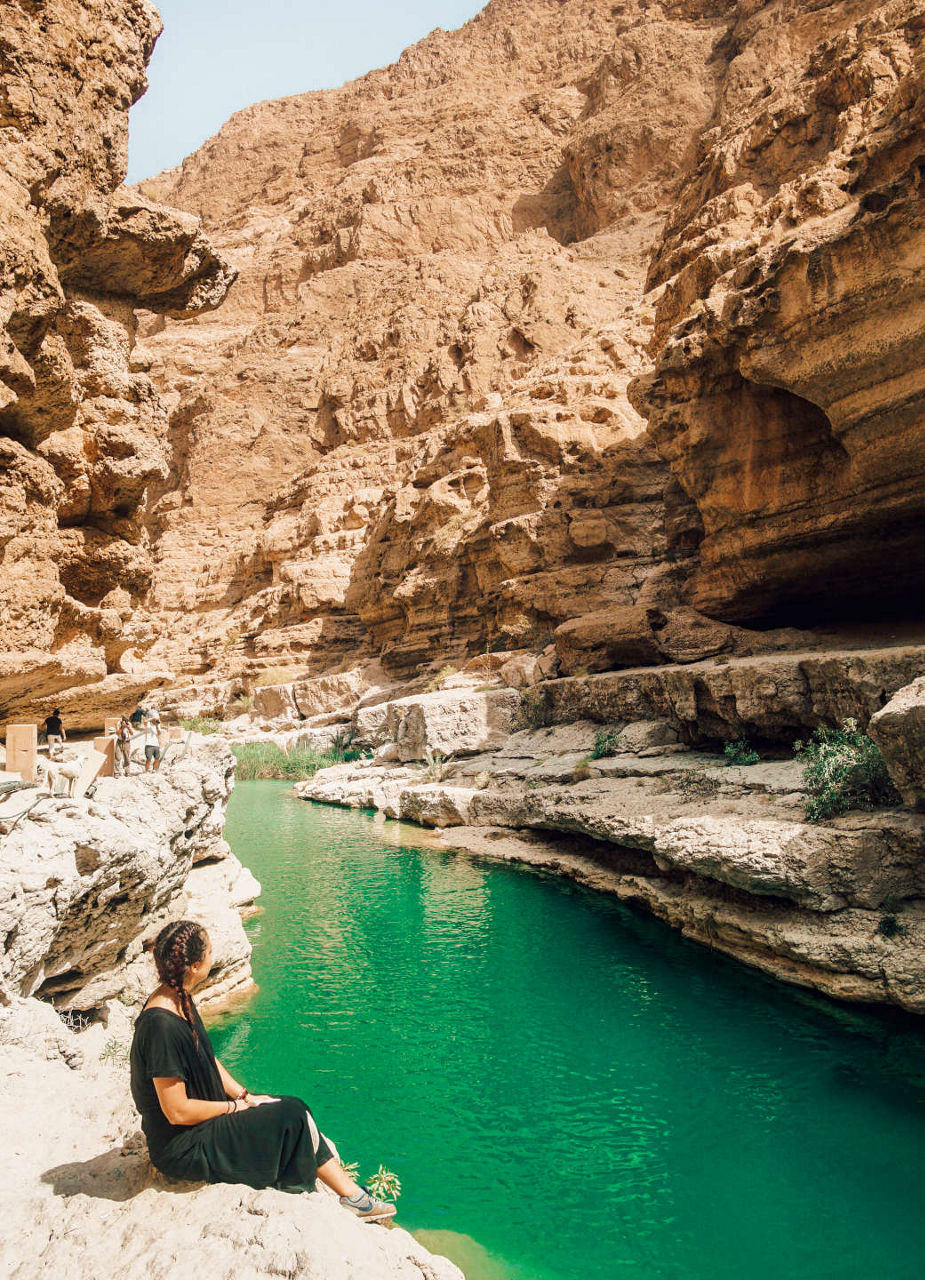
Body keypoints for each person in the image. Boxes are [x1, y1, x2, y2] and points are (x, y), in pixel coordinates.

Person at [129, 921, 395, 1221]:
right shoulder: (160, 1025)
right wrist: (234, 1107)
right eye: (210, 951)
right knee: (291, 1117)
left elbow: (206, 1057)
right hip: (182, 1146)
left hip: (201, 1124)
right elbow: (176, 1112)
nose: (213, 956)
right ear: (194, 966)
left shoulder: (180, 998)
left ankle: (352, 1196)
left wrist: (245, 1095)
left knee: (293, 1107)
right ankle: (344, 1197)